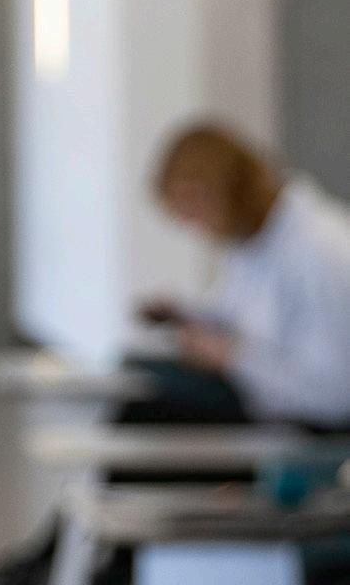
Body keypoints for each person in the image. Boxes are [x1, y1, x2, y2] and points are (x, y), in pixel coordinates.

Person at [133, 121, 350, 427]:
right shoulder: (253, 244)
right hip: (269, 411)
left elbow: (334, 395)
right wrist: (188, 315)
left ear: (220, 194)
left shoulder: (321, 251)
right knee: (139, 373)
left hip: (311, 431)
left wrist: (231, 357)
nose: (198, 230)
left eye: (194, 213)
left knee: (145, 408)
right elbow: (241, 319)